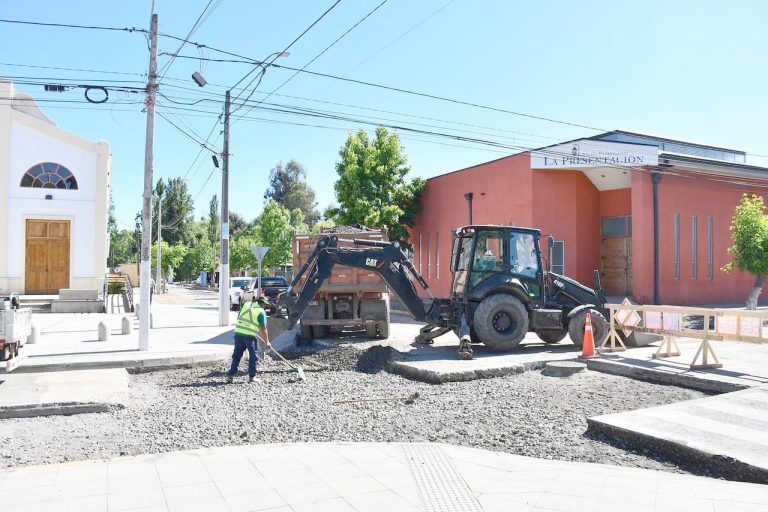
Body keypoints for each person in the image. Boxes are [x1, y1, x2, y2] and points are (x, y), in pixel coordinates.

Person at [227, 296, 271, 383]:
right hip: (249, 337)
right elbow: (263, 328)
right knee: (253, 357)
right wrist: (267, 342)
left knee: (236, 356)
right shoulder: (261, 312)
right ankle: (252, 377)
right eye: (265, 305)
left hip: (238, 334)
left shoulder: (246, 305)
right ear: (263, 304)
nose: (265, 307)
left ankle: (230, 376)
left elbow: (239, 316)